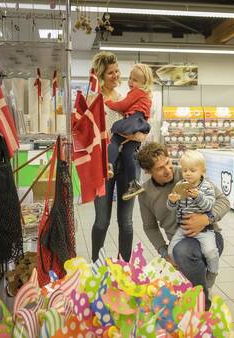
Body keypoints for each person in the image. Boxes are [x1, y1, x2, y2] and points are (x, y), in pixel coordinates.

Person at [137, 143, 230, 307]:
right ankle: (197, 289)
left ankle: (202, 304)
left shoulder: (188, 172)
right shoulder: (146, 194)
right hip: (179, 241)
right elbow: (150, 227)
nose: (168, 170)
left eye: (168, 162)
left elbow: (223, 201)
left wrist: (206, 219)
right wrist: (163, 251)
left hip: (209, 235)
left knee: (183, 254)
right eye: (160, 168)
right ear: (148, 171)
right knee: (180, 254)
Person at [90, 51, 137, 262]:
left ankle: (124, 266)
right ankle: (96, 264)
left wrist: (138, 135)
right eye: (111, 72)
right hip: (103, 165)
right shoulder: (94, 99)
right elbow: (86, 133)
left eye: (117, 71)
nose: (116, 75)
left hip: (128, 163)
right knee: (102, 220)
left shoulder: (127, 98)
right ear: (101, 74)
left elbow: (141, 127)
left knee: (126, 222)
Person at [167, 150, 219, 289]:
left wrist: (198, 197)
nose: (188, 173)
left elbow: (209, 205)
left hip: (204, 230)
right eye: (184, 170)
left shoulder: (207, 187)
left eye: (192, 170)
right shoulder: (180, 186)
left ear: (202, 171)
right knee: (171, 252)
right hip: (183, 228)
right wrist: (172, 201)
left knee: (210, 252)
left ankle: (213, 272)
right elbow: (173, 208)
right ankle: (184, 274)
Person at [105, 63, 153, 201]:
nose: (131, 82)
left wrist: (109, 103)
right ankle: (134, 184)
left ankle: (109, 164)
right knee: (128, 152)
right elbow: (128, 108)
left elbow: (123, 105)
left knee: (114, 139)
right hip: (140, 122)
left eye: (135, 80)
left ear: (144, 83)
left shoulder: (136, 92)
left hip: (134, 120)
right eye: (130, 78)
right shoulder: (146, 95)